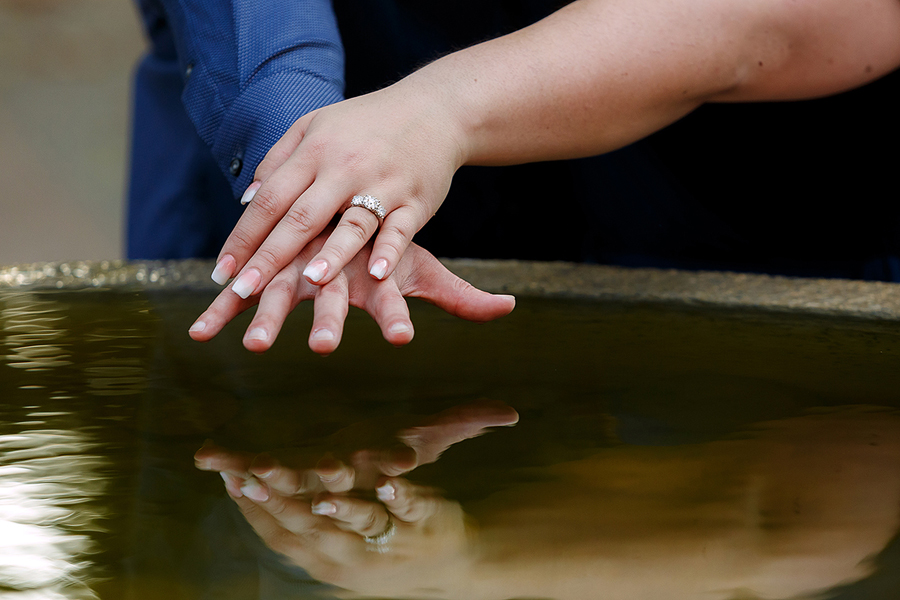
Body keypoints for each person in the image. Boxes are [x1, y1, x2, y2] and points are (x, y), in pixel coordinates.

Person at [193, 0, 900, 352]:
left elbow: (774, 22)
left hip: (752, 213)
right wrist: (305, 144)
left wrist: (440, 110)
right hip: (343, 186)